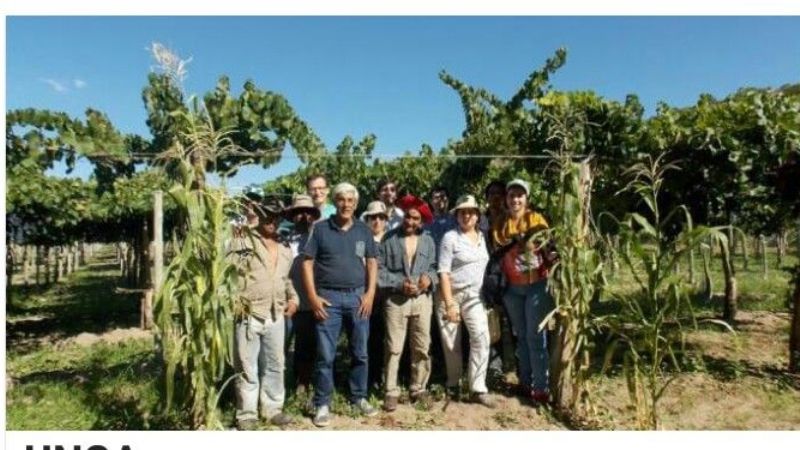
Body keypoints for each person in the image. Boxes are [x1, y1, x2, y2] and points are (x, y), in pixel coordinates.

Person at [301, 182, 379, 427]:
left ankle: (359, 397)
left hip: (358, 298)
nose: (346, 204)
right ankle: (322, 402)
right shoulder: (321, 228)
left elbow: (372, 262)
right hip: (329, 300)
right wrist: (313, 297)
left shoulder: (364, 231)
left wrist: (370, 294)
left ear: (356, 204)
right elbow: (306, 263)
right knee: (326, 354)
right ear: (335, 202)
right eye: (341, 200)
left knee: (361, 352)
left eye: (350, 200)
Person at [230, 197, 298, 430]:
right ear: (259, 215)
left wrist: (293, 297)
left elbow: (286, 279)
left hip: (276, 313)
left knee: (276, 363)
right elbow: (226, 270)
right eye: (267, 215)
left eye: (276, 216)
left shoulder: (284, 248)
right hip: (249, 313)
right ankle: (247, 413)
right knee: (247, 365)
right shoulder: (243, 241)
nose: (272, 220)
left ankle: (272, 409)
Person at [491, 178, 552, 405]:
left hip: (536, 285)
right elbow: (498, 246)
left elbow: (547, 244)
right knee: (522, 337)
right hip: (512, 289)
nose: (515, 199)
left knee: (536, 337)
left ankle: (541, 387)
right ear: (506, 200)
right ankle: (525, 383)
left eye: (520, 195)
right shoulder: (501, 223)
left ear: (526, 198)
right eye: (511, 196)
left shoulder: (536, 219)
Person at [378, 194, 437, 412]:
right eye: (408, 217)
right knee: (393, 347)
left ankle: (418, 387)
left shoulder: (429, 240)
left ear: (421, 220)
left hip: (422, 300)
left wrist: (428, 280)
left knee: (421, 345)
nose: (411, 222)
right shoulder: (389, 239)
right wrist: (399, 283)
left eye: (416, 219)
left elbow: (434, 267)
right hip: (396, 300)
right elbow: (380, 271)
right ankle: (391, 390)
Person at [436, 194, 495, 408]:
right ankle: (453, 383)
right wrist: (450, 304)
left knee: (481, 337)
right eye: (462, 212)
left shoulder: (483, 237)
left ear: (477, 215)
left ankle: (477, 387)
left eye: (470, 211)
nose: (466, 215)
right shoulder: (450, 238)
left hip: (474, 296)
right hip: (450, 295)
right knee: (452, 344)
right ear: (457, 216)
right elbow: (443, 272)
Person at [283, 194, 322, 395]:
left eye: (307, 212)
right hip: (288, 298)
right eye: (299, 212)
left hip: (310, 300)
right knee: (284, 343)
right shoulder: (284, 238)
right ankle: (282, 381)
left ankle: (304, 382)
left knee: (307, 343)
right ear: (293, 216)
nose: (303, 216)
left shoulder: (318, 236)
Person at [360, 200, 389, 391]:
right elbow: (359, 264)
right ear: (368, 220)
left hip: (388, 295)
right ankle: (370, 379)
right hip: (368, 296)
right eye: (373, 217)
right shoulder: (361, 240)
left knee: (390, 339)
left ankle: (388, 377)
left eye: (380, 217)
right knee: (370, 339)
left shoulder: (392, 239)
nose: (376, 221)